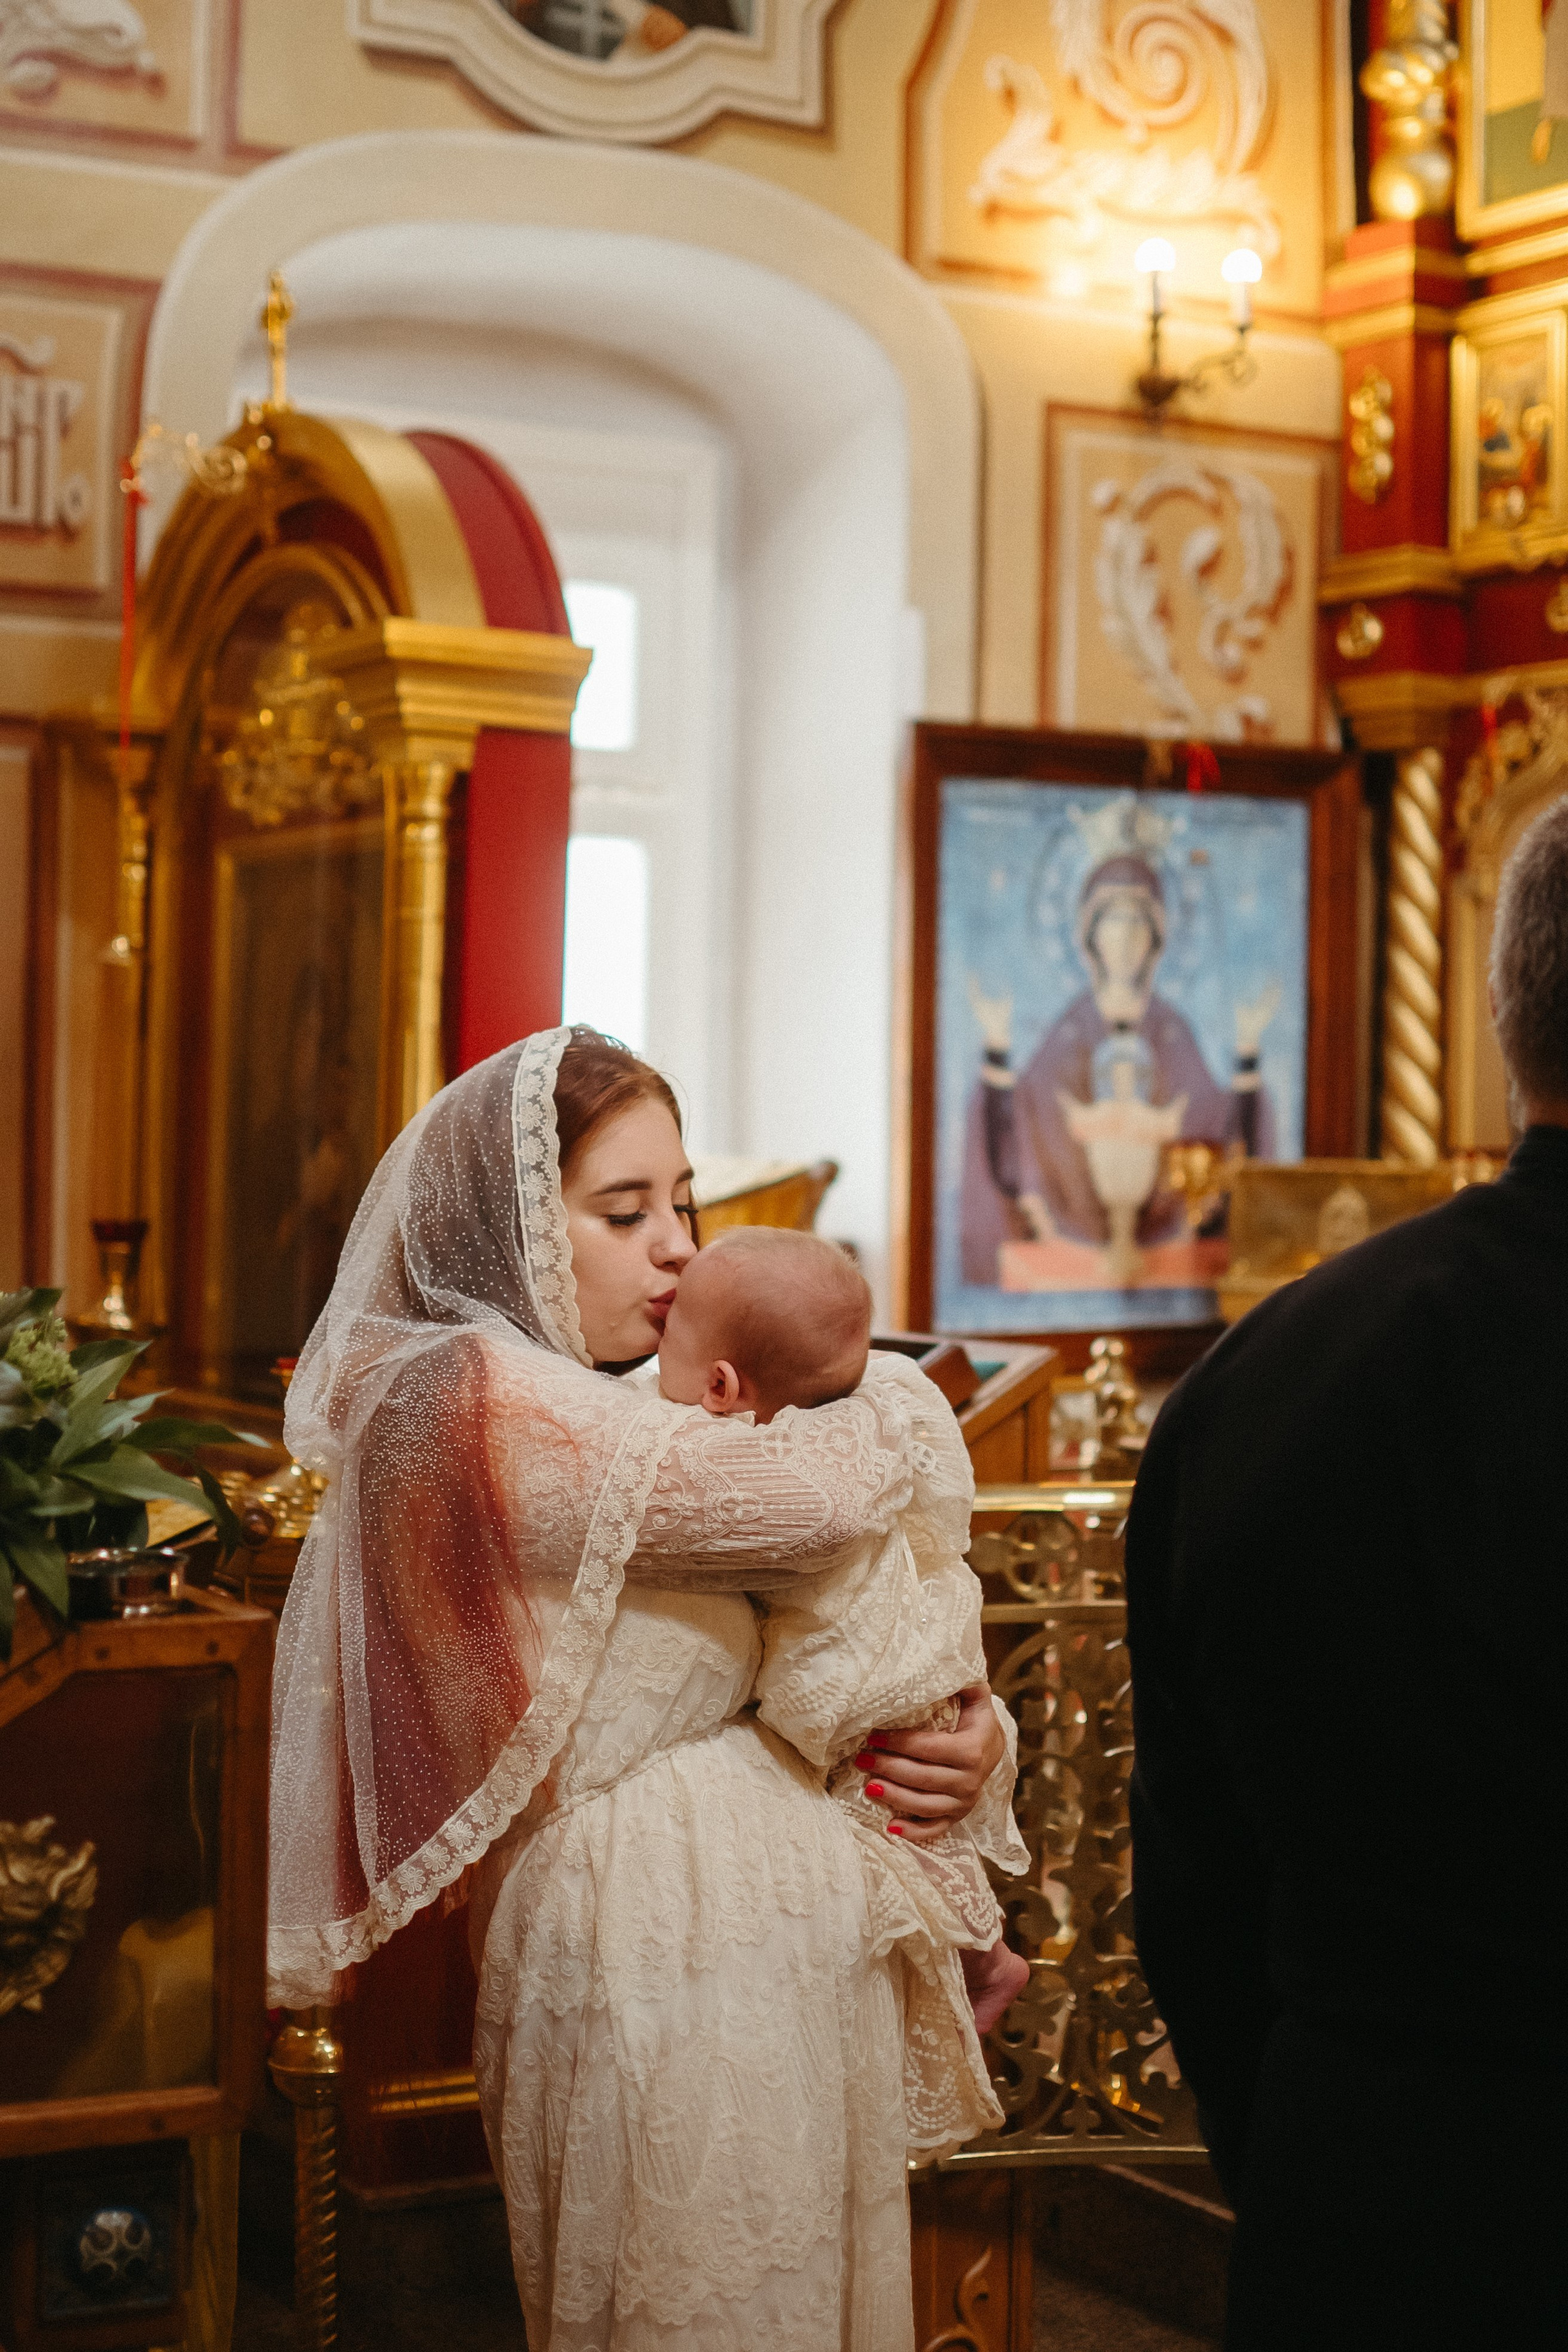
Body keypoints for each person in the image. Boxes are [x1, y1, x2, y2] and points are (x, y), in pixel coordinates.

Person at [267, 1025, 1020, 2352]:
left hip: (786, 1961)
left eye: (685, 1203)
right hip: (650, 1960)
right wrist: (887, 1383)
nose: (678, 1245)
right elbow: (822, 1499)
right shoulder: (469, 1398)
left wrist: (971, 1741)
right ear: (513, 1230)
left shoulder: (628, 1398)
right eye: (625, 1211)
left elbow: (835, 1626)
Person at [1124, 797, 1568, 2349]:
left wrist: (1308, 2139)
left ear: (1504, 1020)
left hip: (1358, 2196)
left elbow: (1186, 1880)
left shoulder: (1260, 1379)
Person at [652, 1224, 1032, 2043]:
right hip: (889, 1669)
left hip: (884, 1681)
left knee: (904, 1833)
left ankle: (986, 1959)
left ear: (719, 1385)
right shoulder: (850, 1410)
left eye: (668, 1337)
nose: (671, 1250)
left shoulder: (778, 1467)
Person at [960, 850, 1278, 1284]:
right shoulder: (1070, 1028)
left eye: (1138, 926)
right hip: (1071, 1233)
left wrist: (1247, 1051)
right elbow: (1025, 1117)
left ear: (1156, 939)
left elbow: (1214, 1120)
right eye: (1112, 925)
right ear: (1091, 938)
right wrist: (997, 1046)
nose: (1125, 941)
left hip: (1164, 1239)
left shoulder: (1172, 1029)